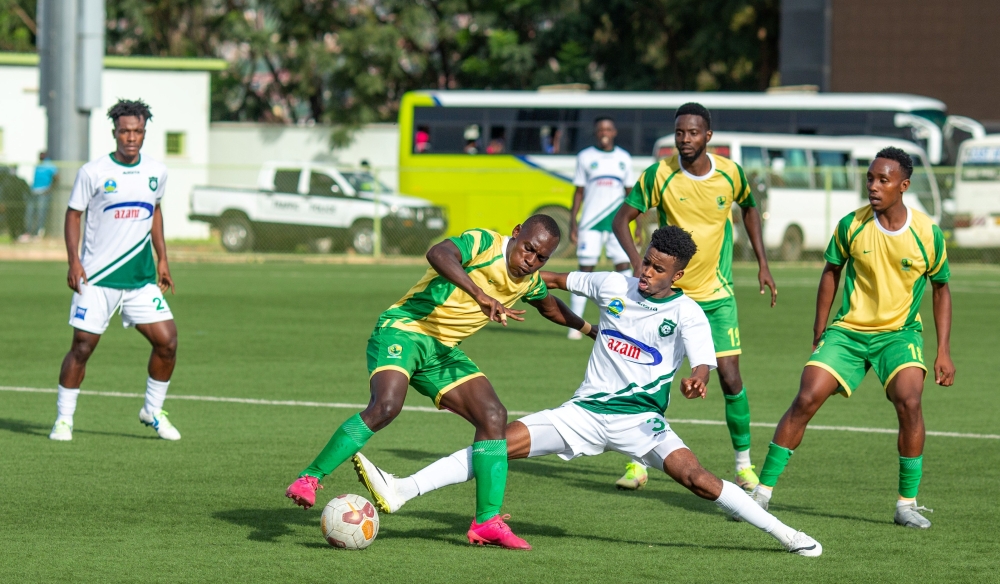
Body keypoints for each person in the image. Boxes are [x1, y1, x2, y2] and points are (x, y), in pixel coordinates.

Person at [352, 226, 822, 557]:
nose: (646, 272)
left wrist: (697, 378)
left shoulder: (688, 314)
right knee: (497, 444)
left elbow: (702, 361)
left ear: (676, 276)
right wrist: (503, 278)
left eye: (658, 269)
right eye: (646, 261)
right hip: (582, 413)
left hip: (641, 422)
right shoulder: (613, 283)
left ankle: (787, 535)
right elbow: (549, 281)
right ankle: (402, 489)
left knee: (698, 479)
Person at [284, 216, 594, 550]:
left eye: (541, 257)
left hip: (442, 352)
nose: (530, 260)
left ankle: (487, 521)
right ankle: (310, 477)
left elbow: (551, 307)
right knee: (386, 406)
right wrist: (479, 294)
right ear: (516, 233)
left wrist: (593, 331)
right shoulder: (484, 243)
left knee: (493, 416)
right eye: (528, 249)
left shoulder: (528, 280)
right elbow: (438, 253)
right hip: (405, 329)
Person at [749, 147, 954, 530]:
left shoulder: (928, 233)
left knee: (910, 402)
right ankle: (761, 494)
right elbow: (831, 272)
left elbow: (941, 289)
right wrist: (820, 329)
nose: (873, 186)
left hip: (899, 334)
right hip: (848, 333)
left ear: (903, 185)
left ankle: (906, 505)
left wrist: (943, 350)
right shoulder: (851, 225)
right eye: (870, 178)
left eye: (883, 180)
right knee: (806, 397)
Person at [611, 102, 776, 493]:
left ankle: (743, 466)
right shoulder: (659, 174)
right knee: (648, 376)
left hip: (717, 296)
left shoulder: (730, 173)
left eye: (693, 132)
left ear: (708, 136)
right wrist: (638, 263)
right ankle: (637, 463)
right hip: (669, 298)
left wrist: (762, 262)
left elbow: (750, 208)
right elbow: (621, 220)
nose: (685, 139)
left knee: (731, 378)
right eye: (679, 132)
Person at [49, 99, 179, 442]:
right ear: (114, 133)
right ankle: (63, 420)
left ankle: (152, 410)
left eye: (137, 131)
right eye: (124, 131)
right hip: (98, 277)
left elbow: (155, 211)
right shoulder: (93, 172)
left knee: (167, 342)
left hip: (140, 279)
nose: (131, 137)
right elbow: (73, 214)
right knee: (82, 347)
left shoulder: (156, 172)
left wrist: (162, 258)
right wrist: (73, 261)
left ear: (144, 133)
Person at [567, 117, 635, 346]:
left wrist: (637, 225)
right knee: (585, 270)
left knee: (624, 268)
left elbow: (631, 194)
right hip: (591, 222)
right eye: (600, 129)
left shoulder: (624, 157)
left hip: (617, 224)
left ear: (614, 132)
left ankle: (626, 320)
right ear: (596, 133)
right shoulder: (585, 157)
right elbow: (578, 192)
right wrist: (573, 222)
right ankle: (576, 325)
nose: (604, 132)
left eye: (608, 128)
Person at [21, 151, 59, 241]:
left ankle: (38, 233)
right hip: (34, 192)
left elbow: (57, 178)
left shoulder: (50, 165)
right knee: (30, 213)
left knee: (40, 213)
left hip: (43, 193)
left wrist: (49, 189)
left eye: (41, 155)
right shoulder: (38, 165)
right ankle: (28, 232)